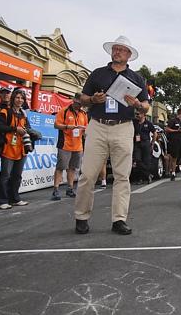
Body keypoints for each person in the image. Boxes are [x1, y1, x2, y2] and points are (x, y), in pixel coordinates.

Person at [74, 35, 150, 235]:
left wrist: (137, 105)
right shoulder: (98, 74)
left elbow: (146, 106)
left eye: (122, 50)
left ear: (129, 55)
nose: (117, 52)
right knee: (88, 175)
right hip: (98, 126)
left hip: (124, 127)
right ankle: (81, 216)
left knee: (122, 176)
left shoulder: (137, 78)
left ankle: (119, 219)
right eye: (115, 49)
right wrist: (92, 98)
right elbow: (82, 99)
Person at [0, 88, 31, 210]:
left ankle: (14, 199)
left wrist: (29, 132)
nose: (20, 100)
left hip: (21, 148)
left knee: (17, 175)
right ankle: (1, 200)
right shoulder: (5, 111)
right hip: (8, 148)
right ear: (13, 98)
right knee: (5, 175)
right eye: (17, 97)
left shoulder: (24, 113)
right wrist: (15, 129)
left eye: (22, 98)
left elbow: (28, 127)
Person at [51, 93, 88, 200]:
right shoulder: (64, 111)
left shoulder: (83, 113)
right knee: (60, 167)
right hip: (65, 144)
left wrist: (85, 131)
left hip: (78, 146)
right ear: (74, 100)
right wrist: (68, 127)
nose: (79, 105)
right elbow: (56, 125)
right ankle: (56, 190)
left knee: (73, 168)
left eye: (81, 104)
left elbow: (86, 128)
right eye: (78, 103)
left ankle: (70, 188)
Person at [165, 108, 181, 181]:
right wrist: (176, 130)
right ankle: (173, 173)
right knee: (174, 157)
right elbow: (167, 129)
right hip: (174, 141)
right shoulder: (173, 120)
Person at [131, 111, 155, 184]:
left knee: (146, 161)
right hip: (137, 144)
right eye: (136, 114)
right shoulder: (135, 122)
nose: (137, 115)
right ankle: (148, 175)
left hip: (146, 143)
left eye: (139, 114)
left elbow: (155, 133)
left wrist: (152, 143)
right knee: (137, 160)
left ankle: (144, 178)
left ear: (143, 115)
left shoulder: (148, 123)